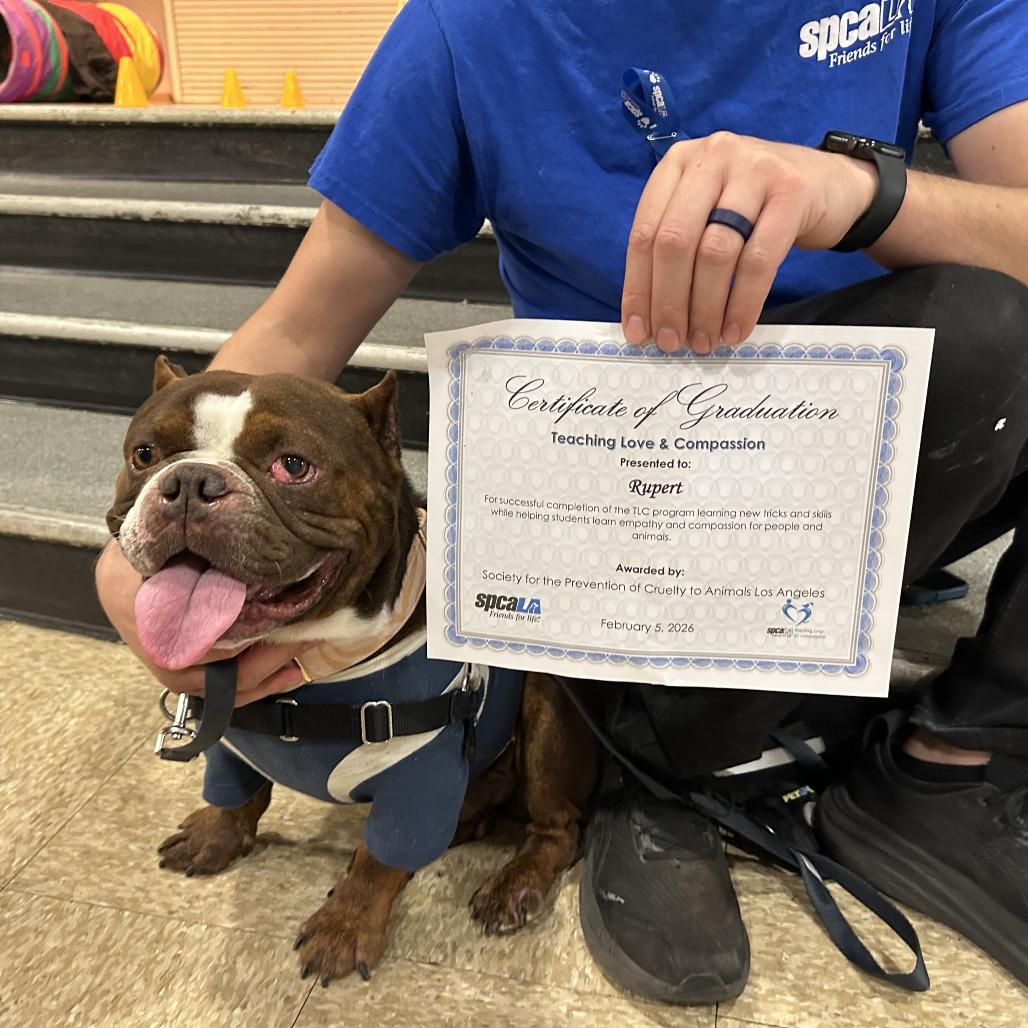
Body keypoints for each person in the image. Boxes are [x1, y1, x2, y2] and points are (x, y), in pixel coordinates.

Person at [96, 0, 1028, 1005]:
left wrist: (863, 191)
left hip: (896, 431)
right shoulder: (467, 26)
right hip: (615, 482)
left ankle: (954, 753)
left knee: (989, 326)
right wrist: (136, 549)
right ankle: (655, 771)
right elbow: (296, 328)